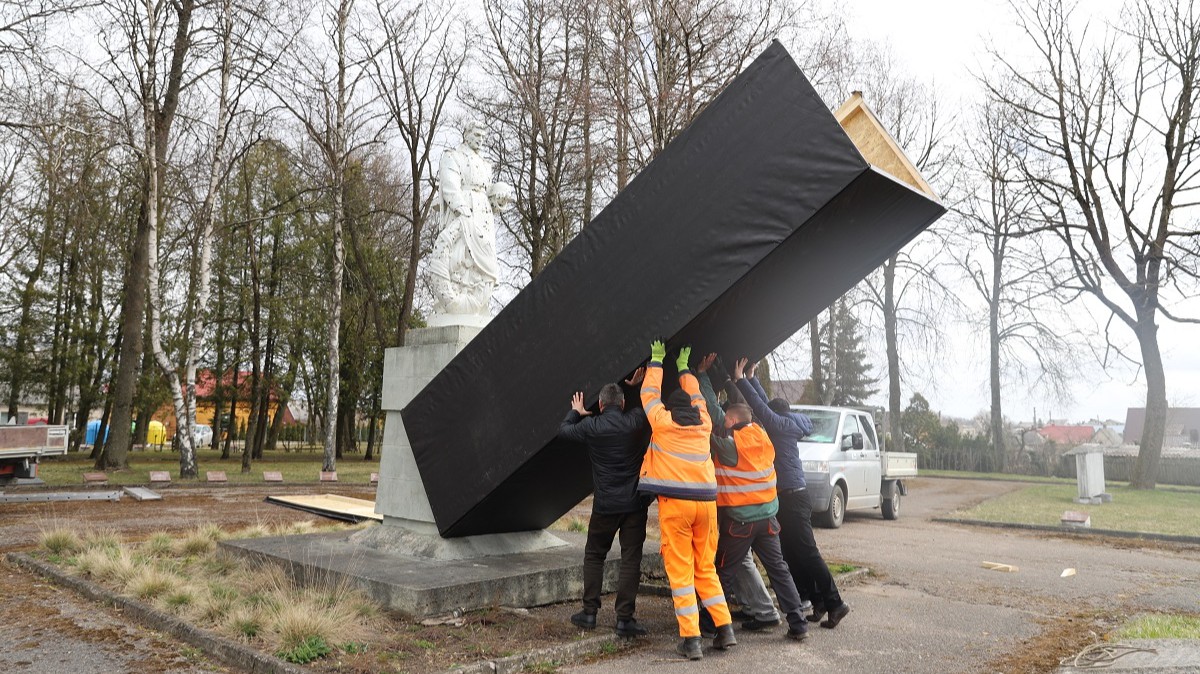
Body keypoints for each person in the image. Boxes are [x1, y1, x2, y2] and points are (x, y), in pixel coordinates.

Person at [695, 356, 809, 641]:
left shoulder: (731, 444)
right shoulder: (761, 433)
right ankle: (798, 623)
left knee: (723, 573)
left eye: (728, 418)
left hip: (741, 523)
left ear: (733, 420)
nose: (724, 420)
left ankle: (709, 625)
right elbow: (741, 405)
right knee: (779, 571)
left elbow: (711, 414)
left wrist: (700, 376)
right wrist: (727, 379)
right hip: (768, 520)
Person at [734, 358, 850, 629]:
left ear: (777, 417)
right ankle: (816, 601)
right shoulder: (788, 422)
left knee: (808, 552)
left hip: (793, 497)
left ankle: (835, 603)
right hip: (787, 498)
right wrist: (752, 377)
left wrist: (740, 380)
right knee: (790, 552)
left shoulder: (781, 426)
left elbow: (761, 408)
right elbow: (767, 405)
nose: (767, 421)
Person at [638, 341, 735, 661]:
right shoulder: (704, 423)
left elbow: (648, 395)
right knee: (705, 567)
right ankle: (724, 629)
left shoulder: (663, 423)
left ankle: (691, 640)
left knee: (681, 572)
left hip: (676, 505)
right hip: (707, 505)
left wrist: (656, 361)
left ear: (670, 408)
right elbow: (698, 396)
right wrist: (684, 369)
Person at [557, 370, 652, 638]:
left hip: (605, 506)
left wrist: (576, 412)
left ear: (600, 405)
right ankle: (624, 619)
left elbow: (563, 432)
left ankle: (589, 613)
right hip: (634, 505)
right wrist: (636, 387)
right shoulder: (635, 421)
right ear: (622, 404)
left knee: (594, 556)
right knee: (630, 559)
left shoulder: (592, 426)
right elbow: (648, 407)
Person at [427, 120, 513, 319]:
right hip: (463, 210)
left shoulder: (486, 165)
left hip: (483, 214)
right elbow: (450, 186)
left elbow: (488, 193)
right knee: (460, 255)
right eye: (477, 135)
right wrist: (463, 211)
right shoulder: (453, 156)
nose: (480, 140)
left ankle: (477, 303)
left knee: (481, 259)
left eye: (483, 137)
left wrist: (499, 197)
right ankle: (454, 301)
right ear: (466, 135)